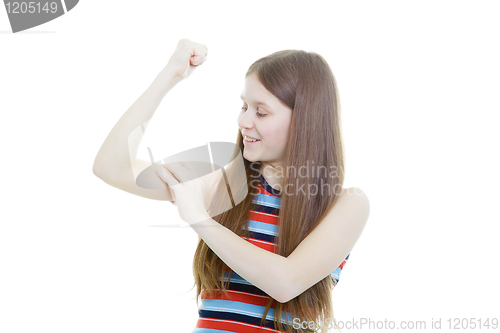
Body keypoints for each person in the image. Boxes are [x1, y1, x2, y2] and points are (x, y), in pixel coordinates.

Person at [93, 39, 370, 333]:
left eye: (260, 112)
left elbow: (286, 283)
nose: (243, 120)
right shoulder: (225, 186)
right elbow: (112, 167)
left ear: (305, 119)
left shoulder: (346, 204)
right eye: (244, 106)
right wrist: (169, 76)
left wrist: (199, 218)